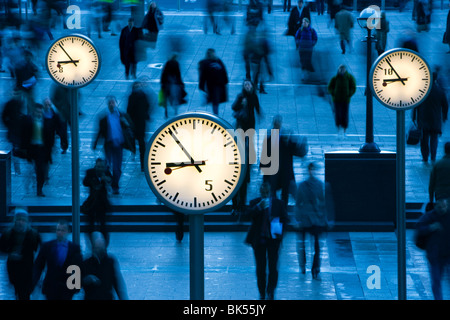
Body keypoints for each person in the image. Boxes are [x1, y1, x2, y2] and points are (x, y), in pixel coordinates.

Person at [245, 182, 289, 300]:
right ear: (260, 192)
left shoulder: (278, 203)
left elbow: (285, 219)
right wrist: (259, 207)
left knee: (273, 267)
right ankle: (262, 292)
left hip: (273, 240)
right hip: (259, 240)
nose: (265, 194)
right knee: (260, 268)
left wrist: (279, 231)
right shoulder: (255, 203)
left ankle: (271, 291)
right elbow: (248, 215)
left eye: (267, 192)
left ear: (270, 192)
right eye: (263, 192)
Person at [231, 80, 262, 218]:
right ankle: (236, 207)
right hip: (242, 123)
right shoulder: (240, 96)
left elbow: (257, 107)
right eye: (246, 85)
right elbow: (234, 107)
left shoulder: (254, 96)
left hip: (250, 124)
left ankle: (240, 206)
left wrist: (260, 113)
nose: (248, 87)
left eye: (249, 85)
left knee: (249, 142)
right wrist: (241, 104)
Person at [92, 96, 135, 195]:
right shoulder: (103, 117)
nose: (112, 104)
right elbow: (99, 131)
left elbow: (130, 127)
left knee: (117, 167)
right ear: (108, 104)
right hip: (109, 144)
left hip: (119, 144)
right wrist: (95, 143)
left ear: (116, 103)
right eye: (110, 103)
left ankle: (115, 185)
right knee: (107, 165)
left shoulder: (121, 115)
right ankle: (109, 181)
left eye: (113, 103)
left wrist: (132, 145)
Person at [295, 162, 330, 279]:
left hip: (310, 219)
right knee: (313, 245)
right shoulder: (316, 185)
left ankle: (309, 266)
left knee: (311, 245)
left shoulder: (307, 185)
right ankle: (311, 267)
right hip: (312, 219)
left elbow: (299, 203)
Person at [32, 220, 83, 300]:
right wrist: (34, 281)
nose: (60, 232)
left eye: (63, 230)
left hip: (67, 286)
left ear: (68, 232)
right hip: (51, 286)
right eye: (58, 230)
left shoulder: (74, 248)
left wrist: (76, 286)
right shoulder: (47, 246)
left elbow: (78, 267)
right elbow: (39, 265)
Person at [0, 208, 41, 300]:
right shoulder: (8, 234)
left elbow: (39, 250)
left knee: (24, 293)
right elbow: (2, 249)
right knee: (19, 291)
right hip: (14, 268)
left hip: (28, 268)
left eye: (23, 220)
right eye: (19, 220)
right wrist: (10, 254)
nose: (21, 222)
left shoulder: (33, 234)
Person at [261, 115, 302, 207]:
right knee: (272, 191)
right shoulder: (269, 135)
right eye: (276, 124)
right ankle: (275, 209)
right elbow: (265, 152)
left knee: (285, 192)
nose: (277, 125)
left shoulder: (287, 134)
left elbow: (294, 150)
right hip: (273, 170)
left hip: (285, 169)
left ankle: (283, 210)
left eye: (278, 123)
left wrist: (289, 141)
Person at [416, 199, 450, 300]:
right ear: (436, 207)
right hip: (435, 255)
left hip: (447, 254)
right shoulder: (429, 217)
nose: (442, 209)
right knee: (436, 279)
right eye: (440, 207)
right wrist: (430, 227)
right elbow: (420, 229)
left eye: (444, 207)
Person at [22, 103, 57, 197]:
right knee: (38, 169)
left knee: (41, 170)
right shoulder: (28, 121)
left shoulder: (46, 121)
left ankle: (39, 187)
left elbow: (50, 136)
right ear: (34, 111)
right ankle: (37, 187)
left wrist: (51, 147)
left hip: (43, 149)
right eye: (37, 111)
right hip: (33, 148)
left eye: (40, 112)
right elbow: (24, 135)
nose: (39, 113)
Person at [413, 72, 448, 164]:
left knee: (424, 139)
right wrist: (444, 116)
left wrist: (414, 117)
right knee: (434, 139)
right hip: (435, 119)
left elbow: (416, 105)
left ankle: (425, 157)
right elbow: (445, 105)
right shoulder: (440, 91)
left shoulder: (422, 90)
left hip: (423, 119)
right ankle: (433, 156)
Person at [81, 232, 128, 300]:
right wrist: (87, 279)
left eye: (101, 247)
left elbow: (116, 283)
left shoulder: (110, 261)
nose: (100, 251)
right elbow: (77, 284)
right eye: (97, 248)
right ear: (93, 248)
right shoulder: (86, 263)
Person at [82, 158, 113, 244]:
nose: (100, 169)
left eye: (102, 167)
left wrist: (105, 179)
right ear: (95, 166)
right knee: (90, 226)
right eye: (98, 167)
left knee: (103, 227)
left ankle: (104, 245)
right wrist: (93, 181)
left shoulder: (107, 173)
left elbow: (111, 180)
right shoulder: (90, 172)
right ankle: (91, 243)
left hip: (102, 204)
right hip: (92, 203)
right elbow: (85, 182)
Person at [126, 81, 152, 171]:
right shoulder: (137, 96)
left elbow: (129, 110)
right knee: (140, 142)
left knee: (140, 143)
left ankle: (142, 163)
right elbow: (129, 110)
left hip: (138, 123)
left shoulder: (137, 96)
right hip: (137, 123)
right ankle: (142, 163)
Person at [327, 65, 356, 137]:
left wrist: (349, 93)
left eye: (343, 70)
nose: (342, 71)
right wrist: (333, 93)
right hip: (336, 99)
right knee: (338, 114)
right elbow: (330, 87)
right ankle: (338, 127)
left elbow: (353, 87)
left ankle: (344, 128)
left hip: (346, 99)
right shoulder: (335, 78)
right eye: (340, 70)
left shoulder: (349, 77)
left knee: (345, 114)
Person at [198, 48, 229, 115]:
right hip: (212, 85)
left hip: (219, 84)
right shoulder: (205, 63)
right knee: (215, 100)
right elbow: (202, 76)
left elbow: (223, 71)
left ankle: (216, 113)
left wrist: (226, 81)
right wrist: (201, 87)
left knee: (216, 100)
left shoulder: (218, 61)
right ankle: (216, 114)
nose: (213, 54)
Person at [160, 54, 187, 118]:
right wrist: (181, 83)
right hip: (174, 83)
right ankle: (175, 111)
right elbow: (178, 74)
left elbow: (164, 73)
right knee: (175, 97)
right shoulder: (176, 63)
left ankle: (166, 112)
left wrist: (162, 82)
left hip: (167, 83)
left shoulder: (167, 63)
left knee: (167, 98)